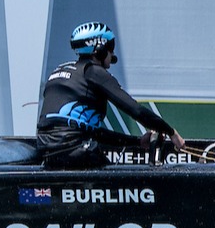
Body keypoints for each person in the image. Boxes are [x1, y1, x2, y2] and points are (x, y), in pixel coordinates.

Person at [37, 22, 187, 169]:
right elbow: (135, 110)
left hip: (47, 151)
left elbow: (91, 132)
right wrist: (170, 131)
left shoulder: (59, 72)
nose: (113, 54)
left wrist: (137, 142)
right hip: (74, 149)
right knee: (120, 186)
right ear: (100, 50)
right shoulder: (94, 72)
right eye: (111, 48)